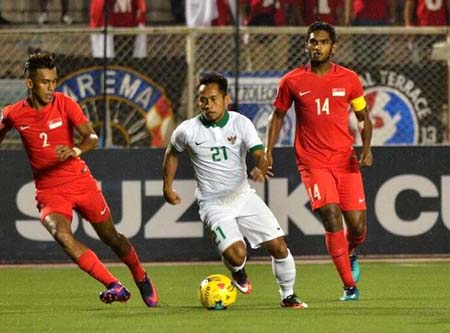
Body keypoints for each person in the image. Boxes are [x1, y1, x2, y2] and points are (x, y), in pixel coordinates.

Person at [0, 50, 158, 308]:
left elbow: (92, 137)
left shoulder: (65, 104)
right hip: (49, 191)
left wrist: (75, 149)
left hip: (79, 181)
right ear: (30, 83)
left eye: (54, 81)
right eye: (45, 82)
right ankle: (114, 284)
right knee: (61, 235)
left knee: (112, 238)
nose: (51, 87)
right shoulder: (13, 113)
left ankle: (140, 275)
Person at [163, 72, 308, 309]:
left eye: (213, 99)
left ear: (226, 99)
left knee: (279, 246)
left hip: (243, 197)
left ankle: (288, 295)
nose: (208, 105)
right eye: (203, 100)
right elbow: (171, 153)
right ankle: (239, 272)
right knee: (237, 254)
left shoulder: (240, 123)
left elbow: (260, 154)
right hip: (213, 205)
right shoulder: (187, 130)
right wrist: (167, 186)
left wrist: (261, 168)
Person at [266, 22, 373, 301]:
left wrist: (367, 147)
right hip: (312, 162)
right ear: (307, 45)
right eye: (313, 42)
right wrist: (267, 151)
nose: (317, 46)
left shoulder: (349, 79)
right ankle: (349, 286)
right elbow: (277, 116)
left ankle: (351, 251)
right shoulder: (291, 81)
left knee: (358, 226)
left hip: (345, 160)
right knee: (330, 214)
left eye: (323, 42)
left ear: (333, 47)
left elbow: (363, 117)